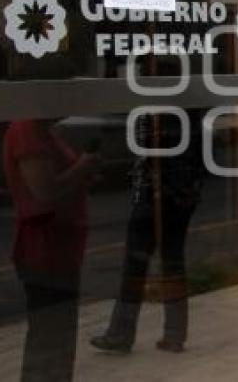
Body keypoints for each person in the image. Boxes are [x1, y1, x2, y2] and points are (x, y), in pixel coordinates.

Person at [90, 110, 204, 354]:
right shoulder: (191, 115)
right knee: (172, 263)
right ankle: (175, 334)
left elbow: (146, 152)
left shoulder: (152, 115)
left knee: (135, 266)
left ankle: (121, 332)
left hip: (154, 198)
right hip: (181, 198)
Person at [3, 119, 97, 382]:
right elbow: (44, 190)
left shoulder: (46, 130)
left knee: (59, 335)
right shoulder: (27, 129)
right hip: (44, 249)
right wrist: (83, 165)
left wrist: (80, 177)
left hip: (60, 248)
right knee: (50, 337)